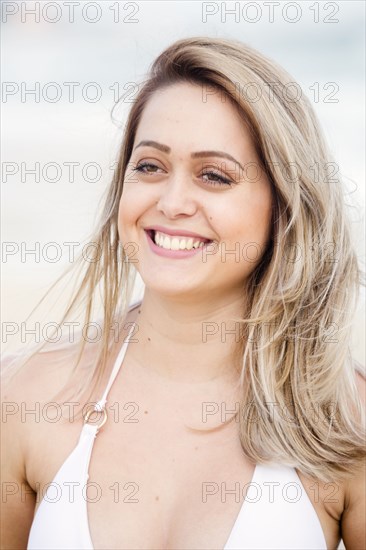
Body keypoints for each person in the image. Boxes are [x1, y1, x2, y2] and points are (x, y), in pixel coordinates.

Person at [1, 36, 365, 550]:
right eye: (149, 166)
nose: (172, 203)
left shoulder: (344, 422)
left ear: (284, 204)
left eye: (214, 176)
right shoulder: (25, 398)